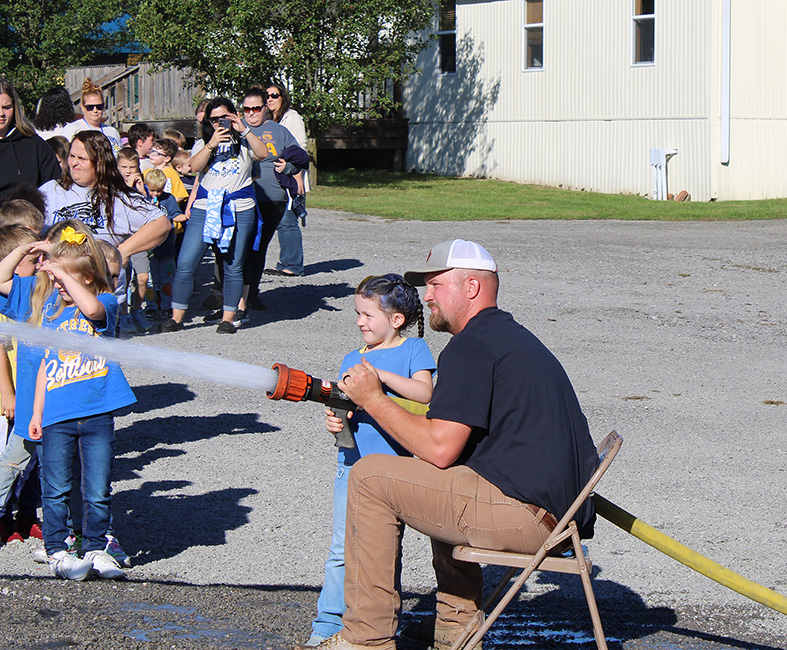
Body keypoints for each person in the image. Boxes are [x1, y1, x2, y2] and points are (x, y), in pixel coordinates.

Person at [295, 240, 600, 650]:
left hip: (531, 516)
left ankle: (365, 639)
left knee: (369, 477)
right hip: (554, 513)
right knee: (438, 479)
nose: (428, 296)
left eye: (437, 285)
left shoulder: (473, 347)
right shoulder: (505, 337)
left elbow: (438, 447)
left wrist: (372, 399)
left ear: (471, 287)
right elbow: (443, 438)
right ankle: (455, 626)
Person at [306, 274, 435, 646]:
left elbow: (425, 393)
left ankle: (384, 623)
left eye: (368, 315)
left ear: (396, 320)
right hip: (352, 466)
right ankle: (327, 626)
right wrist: (335, 421)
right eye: (358, 314)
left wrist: (378, 376)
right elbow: (343, 408)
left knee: (384, 550)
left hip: (396, 469)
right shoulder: (352, 358)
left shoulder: (413, 351)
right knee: (341, 549)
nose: (360, 321)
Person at [0, 226, 135, 580]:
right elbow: (46, 366)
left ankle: (96, 547)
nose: (57, 283)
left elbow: (92, 308)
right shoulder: (48, 309)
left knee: (96, 487)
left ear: (86, 276)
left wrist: (61, 270)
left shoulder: (103, 302)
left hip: (94, 414)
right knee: (52, 485)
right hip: (53, 415)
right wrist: (33, 251)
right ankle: (57, 549)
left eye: (63, 277)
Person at [160, 96, 270, 334]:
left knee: (233, 264)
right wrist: (211, 144)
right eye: (215, 119)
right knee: (186, 261)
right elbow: (193, 167)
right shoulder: (204, 143)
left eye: (225, 117)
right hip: (205, 207)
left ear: (233, 114)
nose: (221, 123)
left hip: (238, 207)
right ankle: (176, 317)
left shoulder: (245, 140)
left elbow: (262, 154)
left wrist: (244, 129)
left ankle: (228, 318)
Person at [38, 130, 170, 263]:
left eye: (82, 158)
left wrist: (122, 251)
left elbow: (161, 224)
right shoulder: (51, 190)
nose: (73, 163)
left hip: (101, 279)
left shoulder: (118, 197)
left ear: (100, 162)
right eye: (72, 156)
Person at [236, 88, 303, 312]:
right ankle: (230, 297)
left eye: (256, 108)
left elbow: (299, 160)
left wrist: (288, 167)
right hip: (238, 197)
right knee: (235, 247)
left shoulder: (279, 131)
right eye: (247, 109)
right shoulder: (234, 131)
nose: (252, 113)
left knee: (257, 248)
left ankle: (251, 294)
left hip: (271, 199)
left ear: (266, 108)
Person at [264, 83, 309, 277]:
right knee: (281, 221)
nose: (270, 99)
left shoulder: (292, 118)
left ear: (283, 97)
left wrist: (295, 173)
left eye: (275, 95)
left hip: (291, 178)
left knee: (287, 221)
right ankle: (285, 262)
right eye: (267, 96)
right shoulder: (272, 121)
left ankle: (292, 265)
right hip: (278, 178)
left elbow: (300, 150)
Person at [0, 79, 62, 200]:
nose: (1, 113)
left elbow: (54, 188)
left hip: (31, 216)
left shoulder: (34, 144)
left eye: (6, 107)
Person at [145, 169, 185, 320]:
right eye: (152, 190)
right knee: (150, 279)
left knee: (166, 277)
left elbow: (176, 214)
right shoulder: (143, 198)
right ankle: (151, 306)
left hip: (166, 245)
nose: (155, 194)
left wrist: (187, 216)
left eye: (159, 190)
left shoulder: (168, 199)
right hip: (149, 247)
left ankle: (166, 305)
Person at [61, 79, 122, 154]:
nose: (95, 110)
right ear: (82, 107)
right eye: (90, 107)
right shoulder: (72, 129)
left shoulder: (112, 131)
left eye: (99, 106)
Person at [143, 138, 189, 203]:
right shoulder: (146, 172)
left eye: (157, 153)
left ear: (167, 159)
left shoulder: (171, 173)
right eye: (152, 151)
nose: (152, 154)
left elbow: (181, 195)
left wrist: (168, 204)